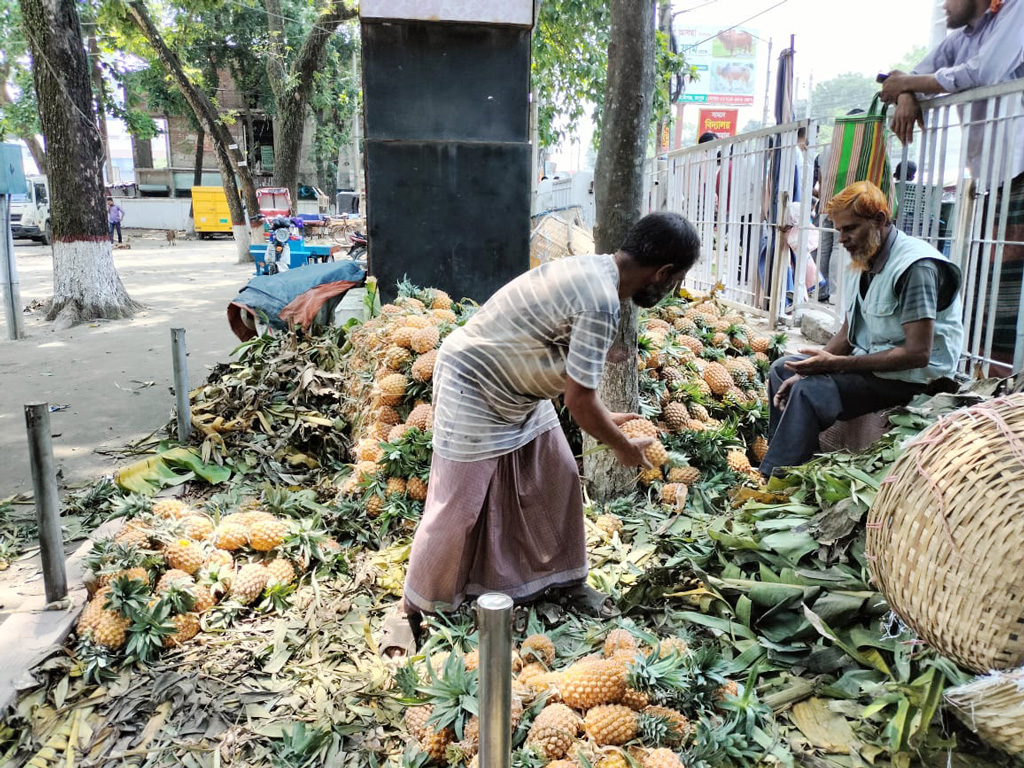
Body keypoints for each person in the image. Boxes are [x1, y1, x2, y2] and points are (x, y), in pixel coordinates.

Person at [395, 212, 701, 642]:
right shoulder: (601, 301)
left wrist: (604, 418)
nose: (672, 290)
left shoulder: (595, 269)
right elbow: (579, 401)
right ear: (663, 272)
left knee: (558, 472)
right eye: (676, 281)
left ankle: (562, 581)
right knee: (458, 504)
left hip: (518, 387)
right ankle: (418, 606)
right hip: (475, 380)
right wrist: (621, 446)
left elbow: (555, 357)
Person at [759, 182, 964, 478]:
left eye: (850, 229)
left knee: (808, 392)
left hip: (913, 378)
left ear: (879, 220)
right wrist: (813, 366)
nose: (842, 239)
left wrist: (838, 365)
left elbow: (918, 354)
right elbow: (848, 331)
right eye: (840, 230)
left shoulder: (916, 267)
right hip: (874, 368)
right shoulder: (866, 259)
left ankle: (778, 479)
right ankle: (790, 461)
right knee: (784, 370)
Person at [879, 0, 1023, 369]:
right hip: (993, 177)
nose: (943, 4)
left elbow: (984, 72)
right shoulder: (960, 39)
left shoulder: (1016, 12)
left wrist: (907, 85)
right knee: (991, 299)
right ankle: (995, 392)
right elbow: (910, 75)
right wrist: (907, 92)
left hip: (1018, 169)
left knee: (1009, 300)